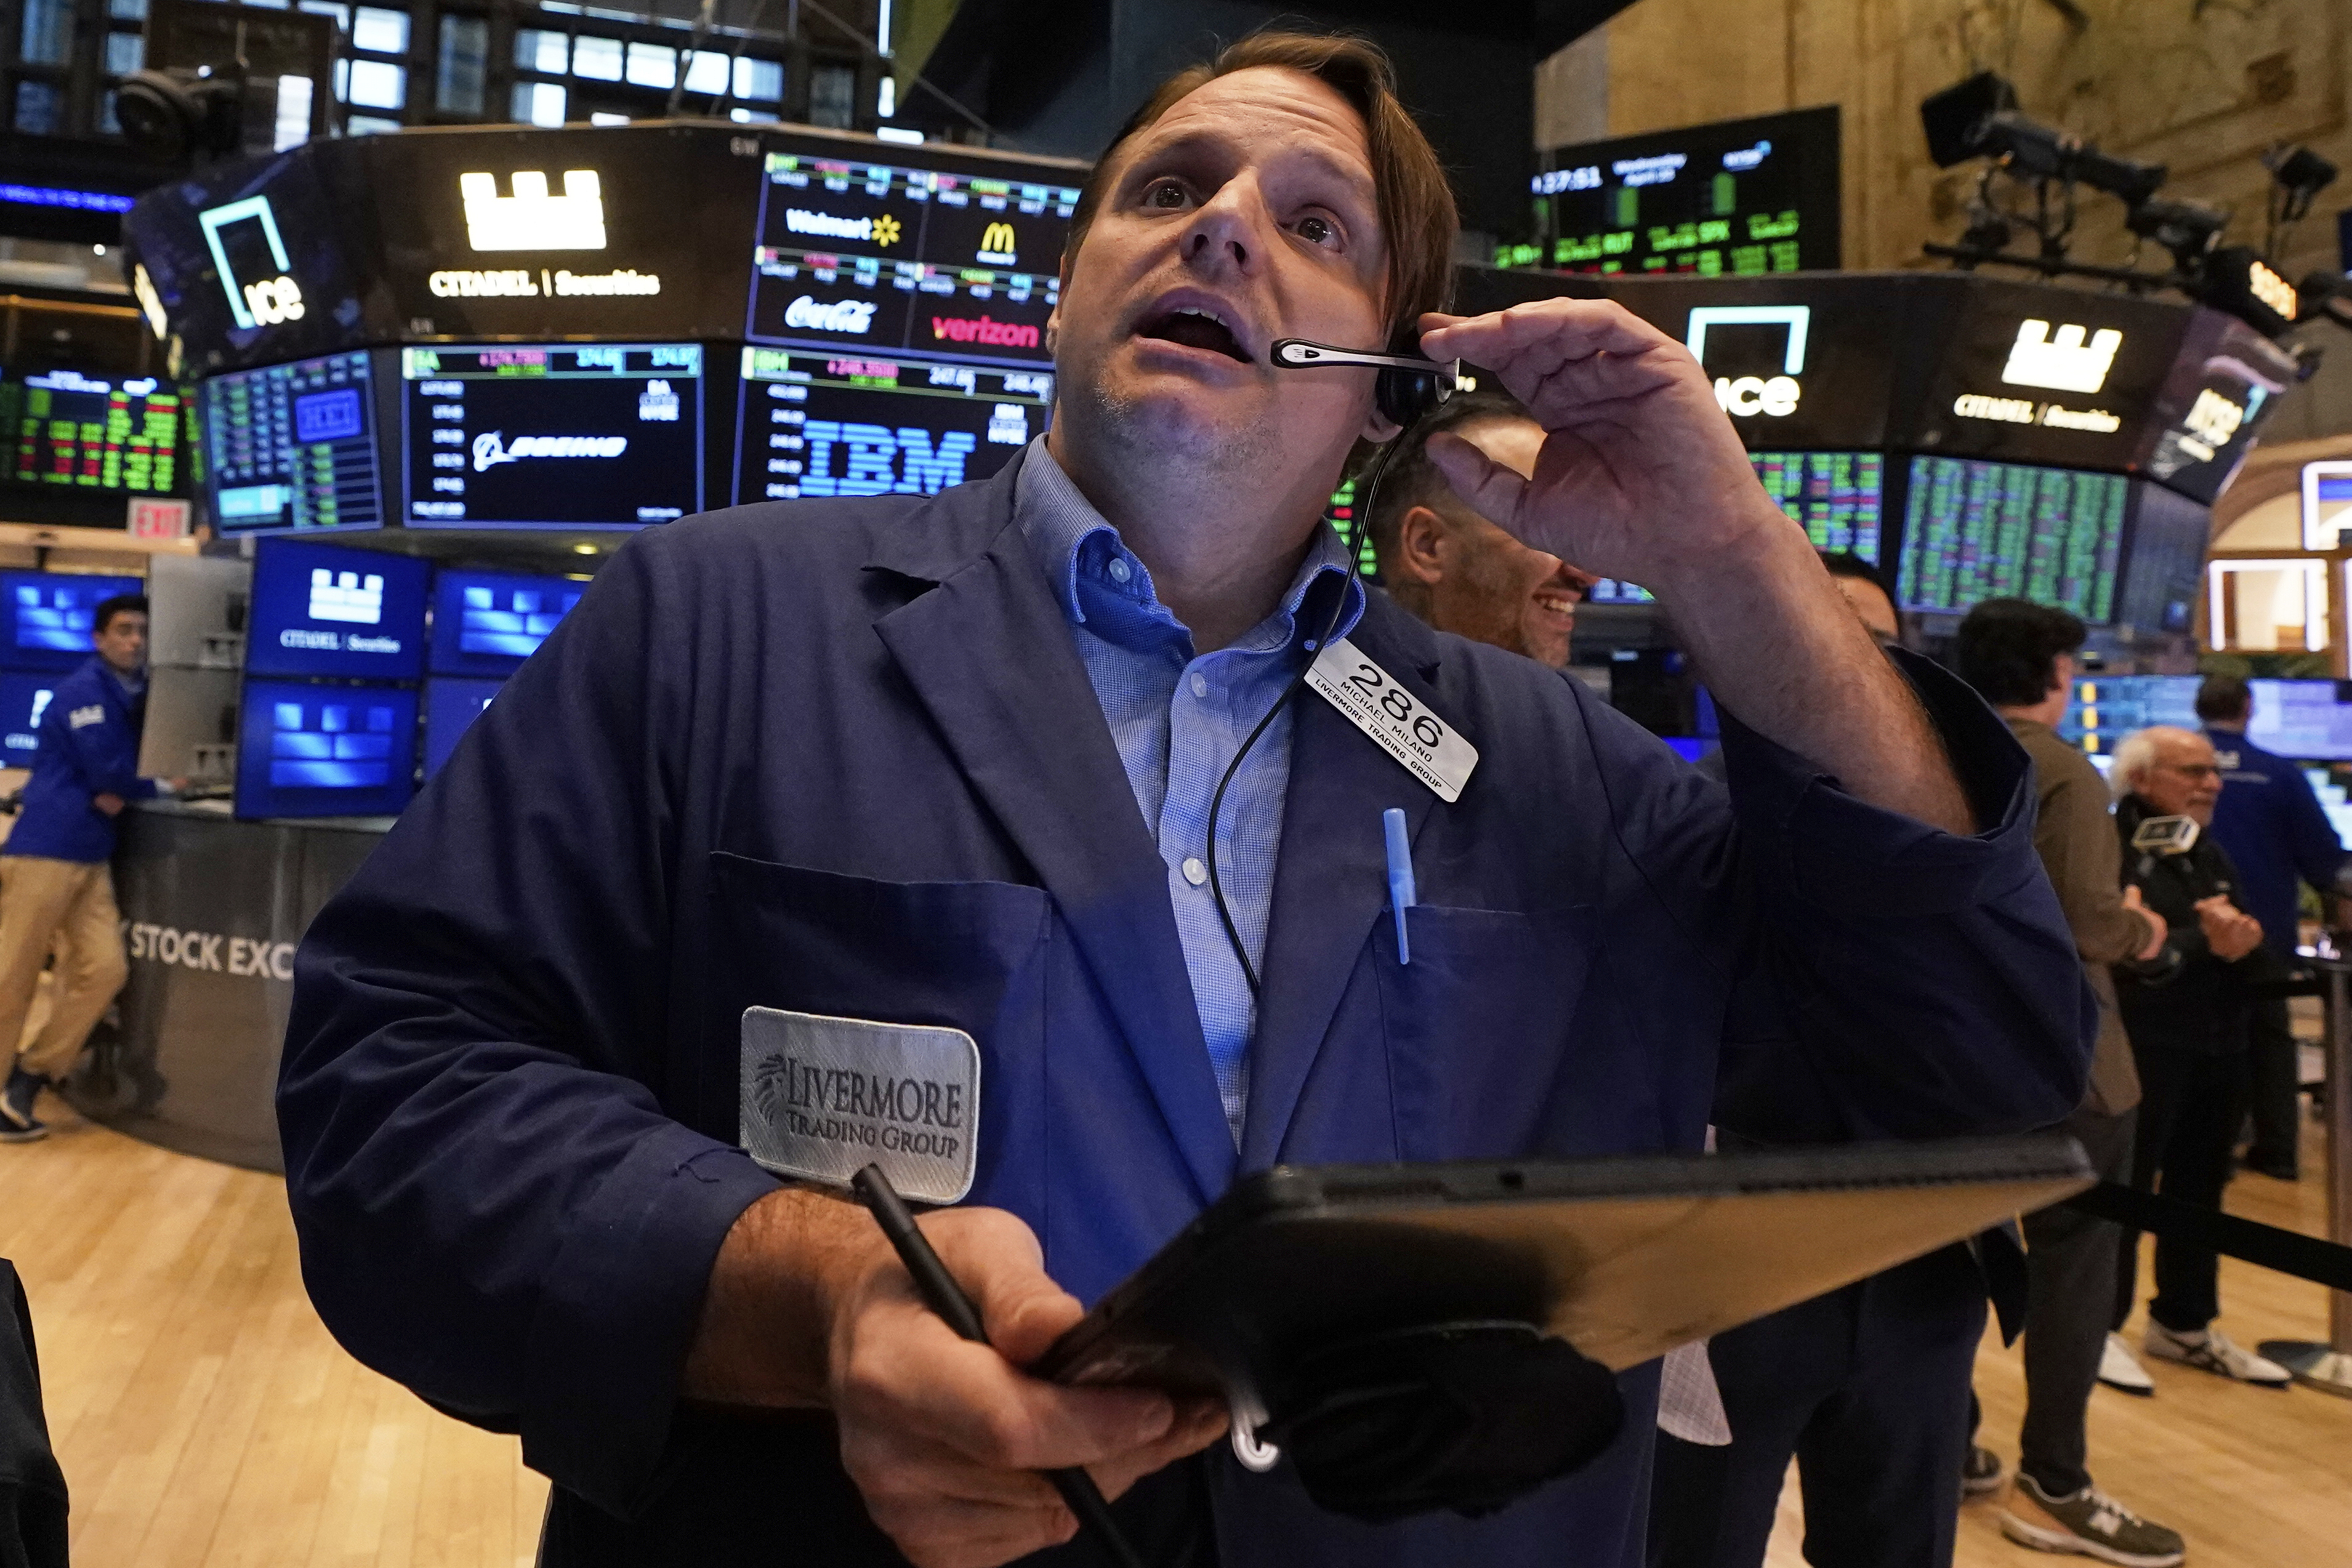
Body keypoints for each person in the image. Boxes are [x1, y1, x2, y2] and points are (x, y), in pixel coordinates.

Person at [276, 31, 2094, 1568]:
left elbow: (1976, 1064)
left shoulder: (1555, 775)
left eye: (1312, 224)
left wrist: (1723, 549)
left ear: (1393, 383)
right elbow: (398, 1089)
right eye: (1166, 191)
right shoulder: (713, 620)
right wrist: (811, 1293)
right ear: (1070, 290)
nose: (1224, 225)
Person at [1949, 601, 2184, 1566]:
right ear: (2055, 669)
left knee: (1948, 1263)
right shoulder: (2058, 767)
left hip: (1952, 1058)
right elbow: (2090, 921)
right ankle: (2057, 1476)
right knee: (2075, 1275)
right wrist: (2148, 929)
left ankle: (1951, 1440)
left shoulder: (1933, 744)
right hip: (2068, 1063)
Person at [2109, 726, 2292, 1389]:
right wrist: (2201, 942)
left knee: (2199, 1190)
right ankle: (2100, 1329)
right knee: (2128, 1190)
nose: (2209, 783)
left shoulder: (2205, 850)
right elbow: (2116, 946)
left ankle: (2183, 1324)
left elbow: (2238, 935)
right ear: (2141, 779)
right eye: (2190, 771)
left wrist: (2242, 942)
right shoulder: (2114, 851)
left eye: (2211, 771)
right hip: (2143, 1046)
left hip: (2218, 1043)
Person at [0, 593, 169, 1141]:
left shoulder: (136, 694)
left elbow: (116, 783)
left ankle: (31, 1074)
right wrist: (161, 784)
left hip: (90, 853)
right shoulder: (83, 692)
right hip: (46, 850)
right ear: (99, 639)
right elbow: (111, 774)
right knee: (13, 978)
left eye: (142, 630)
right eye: (123, 630)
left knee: (104, 970)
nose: (134, 640)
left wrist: (123, 788)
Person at [2197, 673, 2348, 1181]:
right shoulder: (2280, 774)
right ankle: (2279, 1150)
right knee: (2269, 1039)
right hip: (2265, 934)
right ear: (2248, 708)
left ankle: (2206, 1153)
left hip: (2187, 934)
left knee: (2193, 1042)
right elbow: (2325, 863)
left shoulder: (2169, 772)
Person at [1362, 388, 1595, 669]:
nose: (1587, 575)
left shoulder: (1565, 709)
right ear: (1428, 544)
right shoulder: (1321, 706)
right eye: (1544, 526)